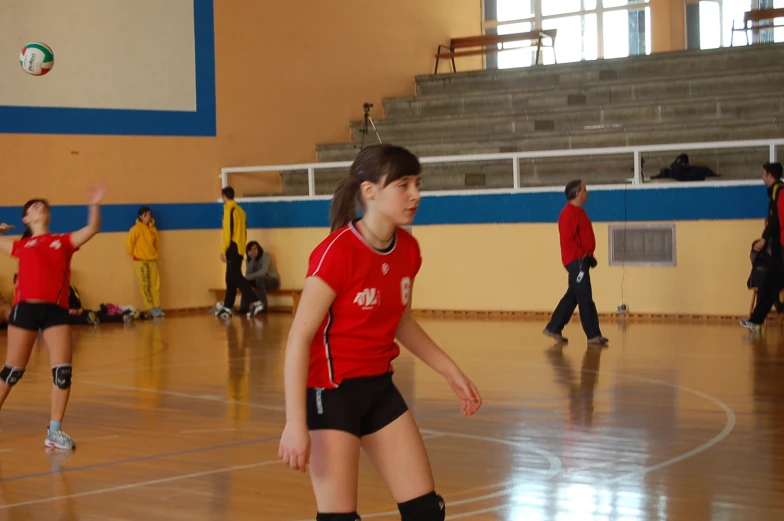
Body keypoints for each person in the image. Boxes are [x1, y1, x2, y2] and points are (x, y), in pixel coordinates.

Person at [277, 144, 482, 521]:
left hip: (379, 389)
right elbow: (298, 339)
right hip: (331, 393)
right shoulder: (336, 253)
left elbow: (401, 321)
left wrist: (451, 371)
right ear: (370, 192)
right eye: (403, 185)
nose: (415, 194)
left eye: (418, 183)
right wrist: (295, 422)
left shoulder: (408, 250)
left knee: (426, 512)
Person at [0, 184, 106, 450]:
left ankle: (54, 431)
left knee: (63, 372)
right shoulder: (22, 245)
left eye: (42, 205)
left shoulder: (63, 241)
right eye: (33, 207)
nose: (40, 208)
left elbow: (92, 229)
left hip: (56, 311)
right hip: (25, 308)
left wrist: (94, 204)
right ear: (26, 219)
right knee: (12, 371)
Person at [543, 180, 608, 346]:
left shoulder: (580, 212)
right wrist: (581, 256)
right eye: (584, 189)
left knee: (573, 295)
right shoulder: (568, 214)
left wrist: (589, 256)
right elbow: (567, 240)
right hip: (576, 261)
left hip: (582, 260)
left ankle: (554, 327)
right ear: (577, 193)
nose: (587, 192)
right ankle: (593, 335)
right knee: (585, 296)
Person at [742, 162, 784, 333]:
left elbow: (777, 220)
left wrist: (764, 238)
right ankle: (756, 320)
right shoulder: (775, 192)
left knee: (771, 284)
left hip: (782, 246)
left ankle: (757, 320)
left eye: (763, 174)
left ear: (770, 176)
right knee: (769, 284)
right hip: (779, 247)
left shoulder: (779, 191)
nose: (762, 177)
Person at [213, 187, 264, 319]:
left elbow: (227, 232)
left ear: (224, 196)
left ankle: (256, 302)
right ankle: (227, 307)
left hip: (232, 246)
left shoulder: (228, 210)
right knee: (230, 278)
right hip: (239, 247)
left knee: (236, 277)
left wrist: (223, 249)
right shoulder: (241, 211)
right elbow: (244, 231)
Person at [126, 206, 164, 318]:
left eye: (149, 215)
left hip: (152, 259)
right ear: (141, 216)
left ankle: (157, 306)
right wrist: (137, 254)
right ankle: (150, 308)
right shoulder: (135, 229)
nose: (148, 217)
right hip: (141, 261)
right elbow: (129, 245)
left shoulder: (153, 230)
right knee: (145, 285)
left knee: (155, 284)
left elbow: (156, 244)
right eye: (146, 215)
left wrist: (151, 253)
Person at [240, 240, 280, 312]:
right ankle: (244, 308)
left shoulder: (265, 255)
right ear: (248, 252)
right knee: (245, 283)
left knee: (259, 278)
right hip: (259, 283)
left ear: (259, 248)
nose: (253, 251)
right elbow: (248, 274)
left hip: (272, 281)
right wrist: (252, 261)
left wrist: (246, 278)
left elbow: (263, 272)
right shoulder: (248, 260)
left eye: (255, 249)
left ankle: (263, 307)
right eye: (250, 250)